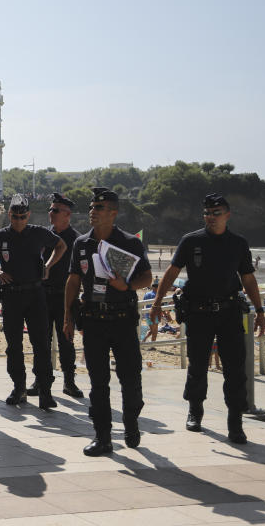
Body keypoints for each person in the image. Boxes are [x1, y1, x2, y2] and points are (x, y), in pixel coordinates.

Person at [149, 193, 265, 444]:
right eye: (207, 213)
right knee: (198, 366)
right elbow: (171, 272)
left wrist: (260, 310)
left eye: (216, 213)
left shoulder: (238, 243)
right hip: (199, 313)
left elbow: (247, 278)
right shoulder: (191, 241)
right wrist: (157, 302)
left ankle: (235, 422)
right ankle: (195, 411)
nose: (211, 217)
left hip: (230, 312)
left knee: (235, 370)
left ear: (227, 215)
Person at [64, 187, 152, 456]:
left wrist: (126, 286)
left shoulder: (129, 243)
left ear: (113, 213)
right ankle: (102, 437)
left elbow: (146, 279)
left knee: (130, 377)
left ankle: (131, 422)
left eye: (99, 208)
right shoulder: (82, 244)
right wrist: (68, 317)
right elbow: (73, 280)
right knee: (98, 382)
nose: (93, 212)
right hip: (93, 321)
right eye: (91, 207)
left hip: (123, 319)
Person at [0, 194, 66, 409]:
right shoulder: (0, 236)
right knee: (14, 346)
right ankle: (18, 387)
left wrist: (48, 266)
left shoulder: (38, 233)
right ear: (9, 215)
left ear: (28, 215)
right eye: (15, 217)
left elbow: (62, 246)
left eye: (22, 217)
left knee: (41, 343)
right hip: (12, 295)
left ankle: (45, 390)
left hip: (36, 294)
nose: (19, 221)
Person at [39, 193, 83, 398]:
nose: (51, 213)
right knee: (42, 341)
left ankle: (69, 381)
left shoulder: (77, 240)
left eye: (55, 210)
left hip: (66, 297)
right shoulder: (44, 236)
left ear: (68, 215)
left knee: (66, 341)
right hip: (43, 295)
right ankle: (41, 380)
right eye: (50, 209)